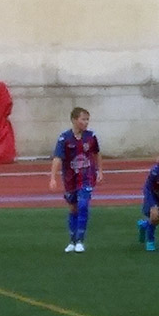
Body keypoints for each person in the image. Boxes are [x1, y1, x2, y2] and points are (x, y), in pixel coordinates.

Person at [49, 107, 103, 253]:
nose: (85, 122)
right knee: (73, 207)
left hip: (87, 177)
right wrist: (53, 178)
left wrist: (99, 171)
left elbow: (96, 153)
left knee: (83, 204)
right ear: (74, 120)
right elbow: (57, 158)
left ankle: (80, 240)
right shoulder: (64, 138)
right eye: (83, 119)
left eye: (87, 120)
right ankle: (72, 240)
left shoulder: (91, 136)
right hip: (70, 178)